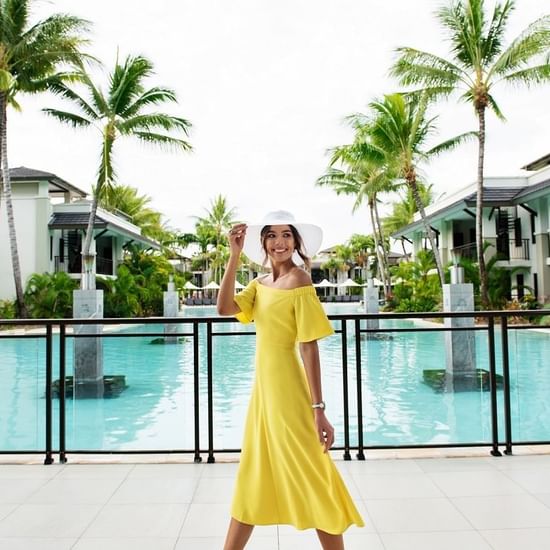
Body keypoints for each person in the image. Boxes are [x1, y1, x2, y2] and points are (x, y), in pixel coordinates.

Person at [217, 210, 364, 550]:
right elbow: (223, 308)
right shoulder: (260, 285)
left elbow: (308, 346)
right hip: (264, 395)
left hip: (289, 393)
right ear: (263, 242)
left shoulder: (300, 281)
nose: (279, 242)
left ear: (296, 242)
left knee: (311, 471)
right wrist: (234, 255)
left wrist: (318, 408)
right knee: (254, 473)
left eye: (286, 235)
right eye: (271, 235)